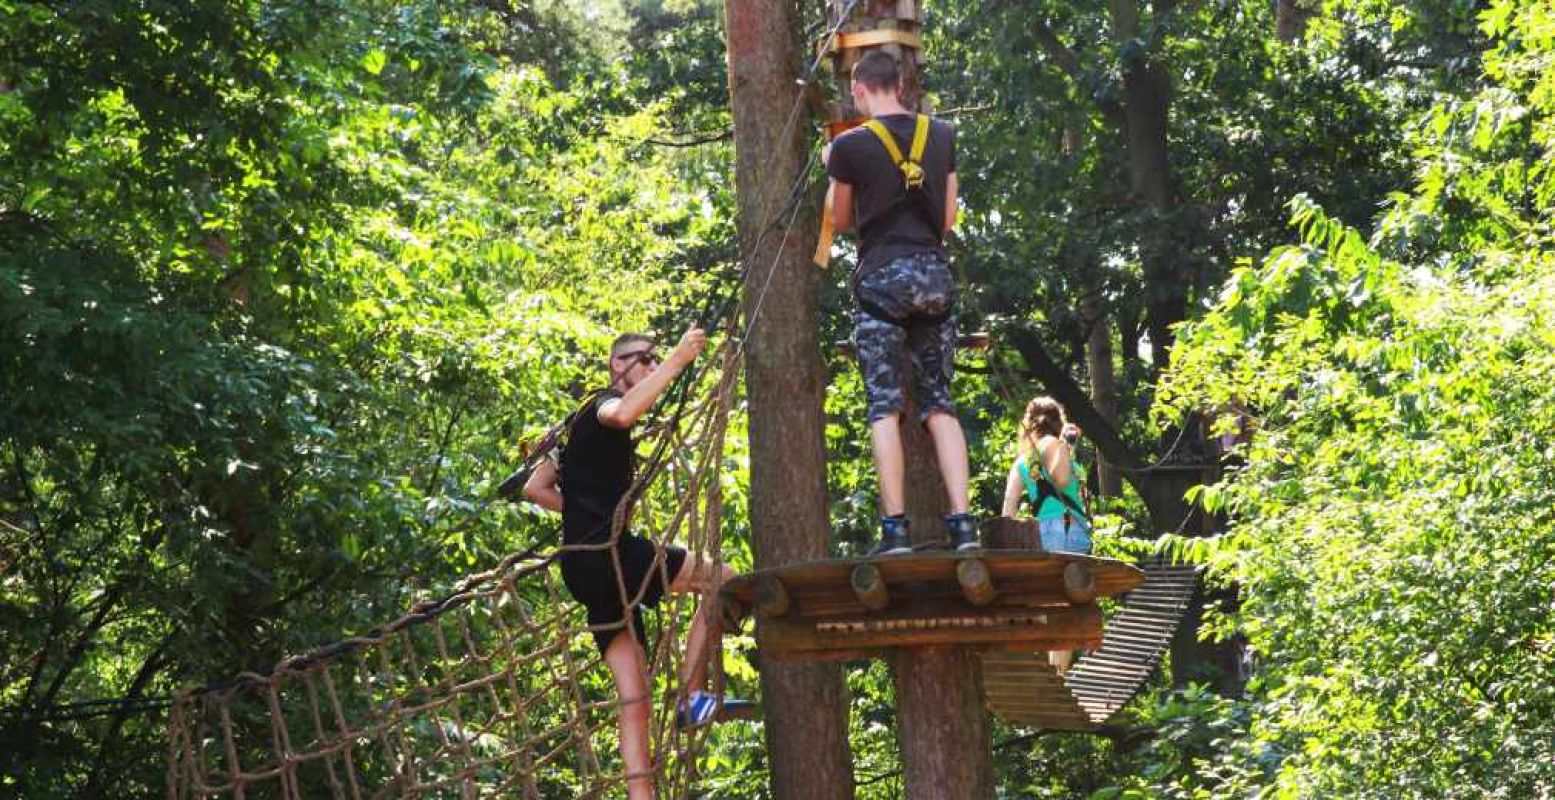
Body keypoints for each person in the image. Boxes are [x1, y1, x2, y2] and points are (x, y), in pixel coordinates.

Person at [523, 327, 752, 800]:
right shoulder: (600, 404)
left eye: (653, 358)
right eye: (641, 359)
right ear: (616, 365)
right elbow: (624, 410)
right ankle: (691, 695)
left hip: (584, 569)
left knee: (635, 699)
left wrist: (587, 511)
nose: (649, 365)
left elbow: (535, 488)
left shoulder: (573, 426)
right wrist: (678, 360)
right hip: (610, 558)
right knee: (724, 579)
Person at [824, 49, 976, 554]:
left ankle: (895, 530)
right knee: (940, 405)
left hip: (882, 280)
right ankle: (963, 524)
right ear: (902, 87)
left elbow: (842, 219)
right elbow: (948, 218)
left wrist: (834, 171)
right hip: (935, 275)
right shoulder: (944, 134)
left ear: (861, 90)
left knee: (885, 408)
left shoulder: (850, 145)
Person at [1001, 396, 1092, 555]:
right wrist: (1065, 443)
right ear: (1058, 421)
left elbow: (1009, 503)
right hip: (1067, 529)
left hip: (1041, 532)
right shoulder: (1053, 443)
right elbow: (1062, 480)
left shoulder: (1021, 460)